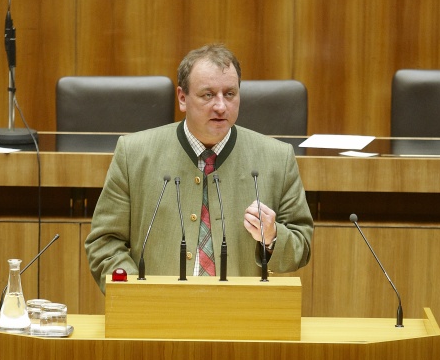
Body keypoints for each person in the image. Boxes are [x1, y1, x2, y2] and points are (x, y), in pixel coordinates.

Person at [85, 44, 313, 292]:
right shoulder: (133, 154)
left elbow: (301, 248)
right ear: (182, 98)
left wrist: (272, 236)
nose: (221, 106)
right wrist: (139, 295)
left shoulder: (278, 158)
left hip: (240, 310)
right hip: (158, 310)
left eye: (230, 94)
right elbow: (105, 242)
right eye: (208, 95)